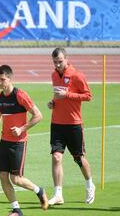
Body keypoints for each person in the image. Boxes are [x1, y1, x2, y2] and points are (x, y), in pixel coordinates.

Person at [0, 65, 48, 216]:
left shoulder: (20, 95)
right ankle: (16, 210)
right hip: (4, 141)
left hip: (18, 142)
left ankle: (39, 191)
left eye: (2, 79)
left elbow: (38, 115)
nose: (0, 83)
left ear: (10, 78)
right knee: (2, 175)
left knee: (16, 179)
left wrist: (22, 129)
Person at [47, 47, 95, 205]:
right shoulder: (54, 75)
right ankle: (58, 194)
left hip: (74, 124)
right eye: (55, 62)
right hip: (57, 124)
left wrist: (67, 95)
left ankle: (89, 185)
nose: (58, 65)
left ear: (67, 59)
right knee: (56, 157)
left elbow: (88, 96)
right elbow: (57, 95)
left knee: (78, 158)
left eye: (60, 61)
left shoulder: (77, 75)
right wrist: (53, 102)